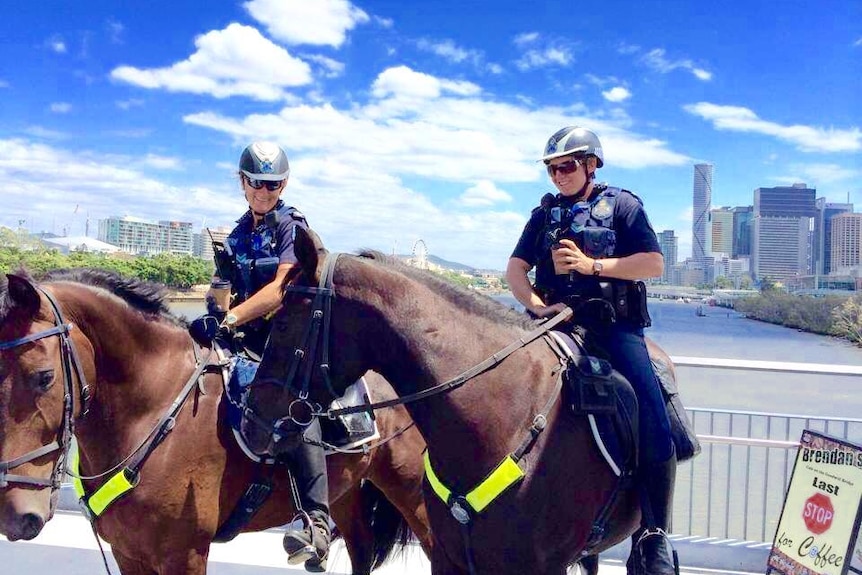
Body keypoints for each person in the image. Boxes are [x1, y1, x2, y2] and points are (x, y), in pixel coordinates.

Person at [506, 126, 677, 574]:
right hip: (556, 325)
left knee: (651, 411)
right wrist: (538, 304)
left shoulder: (623, 205)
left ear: (590, 164)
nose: (558, 176)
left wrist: (592, 265)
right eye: (551, 169)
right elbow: (515, 268)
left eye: (565, 166)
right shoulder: (544, 215)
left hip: (613, 328)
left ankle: (654, 534)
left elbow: (653, 263)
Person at [188, 141, 331, 571]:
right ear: (242, 182)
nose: (263, 191)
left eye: (271, 184)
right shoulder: (236, 233)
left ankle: (316, 518)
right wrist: (212, 313)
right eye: (255, 183)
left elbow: (281, 288)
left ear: (283, 184)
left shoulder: (293, 226)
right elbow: (221, 287)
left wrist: (229, 318)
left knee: (291, 400)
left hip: (291, 337)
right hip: (245, 334)